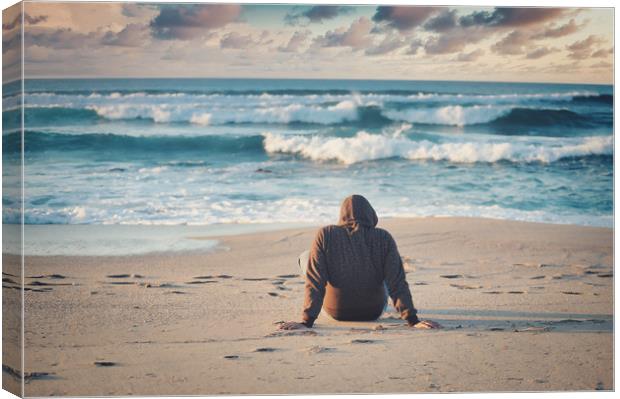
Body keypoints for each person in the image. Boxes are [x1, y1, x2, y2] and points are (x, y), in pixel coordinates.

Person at [279, 194, 440, 330]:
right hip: (373, 311)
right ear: (371, 215)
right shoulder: (383, 237)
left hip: (336, 311)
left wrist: (306, 322)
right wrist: (413, 320)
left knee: (306, 256)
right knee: (387, 268)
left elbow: (315, 281)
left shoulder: (326, 234)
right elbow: (396, 282)